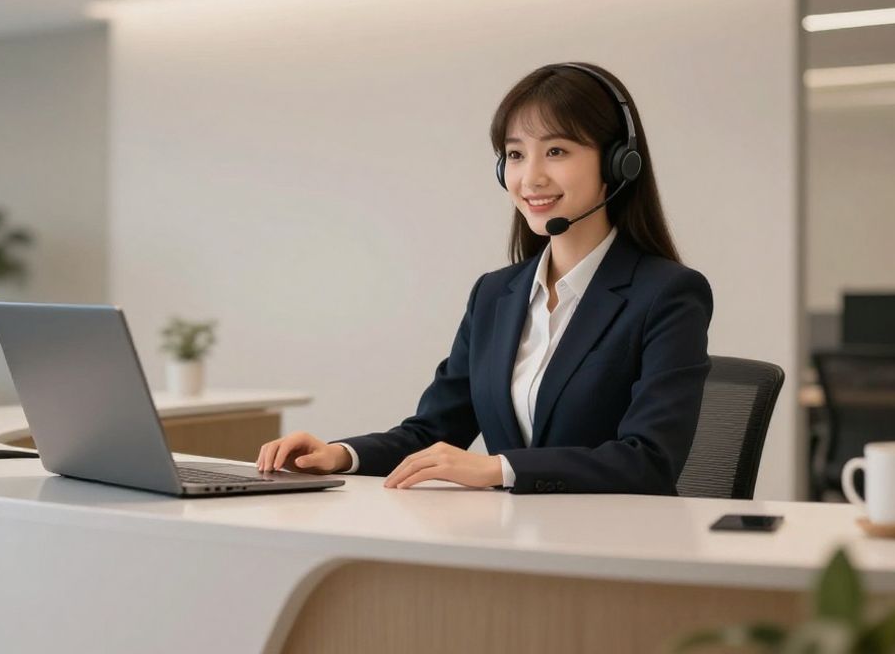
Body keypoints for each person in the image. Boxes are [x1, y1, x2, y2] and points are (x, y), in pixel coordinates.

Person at [255, 62, 713, 495]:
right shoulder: (496, 295)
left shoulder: (667, 294)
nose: (530, 176)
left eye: (556, 151)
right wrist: (340, 454)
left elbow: (650, 459)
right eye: (515, 154)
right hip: (510, 539)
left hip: (616, 547)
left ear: (617, 163)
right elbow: (433, 431)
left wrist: (498, 468)